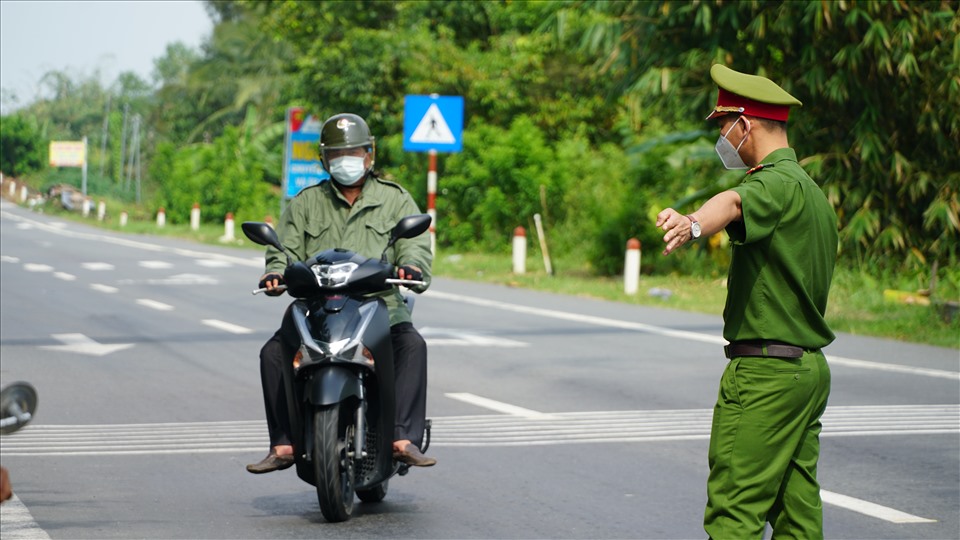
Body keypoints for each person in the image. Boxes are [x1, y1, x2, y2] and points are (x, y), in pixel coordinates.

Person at [655, 64, 838, 539]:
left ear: (746, 124)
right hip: (807, 371)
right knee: (797, 511)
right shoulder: (814, 195)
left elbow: (733, 203)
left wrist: (693, 222)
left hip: (765, 374)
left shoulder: (772, 184)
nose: (722, 137)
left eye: (723, 126)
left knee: (733, 511)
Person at [246, 112, 436, 474]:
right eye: (336, 154)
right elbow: (282, 251)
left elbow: (413, 246)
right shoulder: (306, 203)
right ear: (324, 159)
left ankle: (402, 438)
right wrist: (274, 272)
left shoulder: (395, 200)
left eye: (354, 152)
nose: (346, 160)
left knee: (412, 346)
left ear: (370, 154)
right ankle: (284, 443)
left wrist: (410, 269)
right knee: (273, 352)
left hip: (379, 308)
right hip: (319, 311)